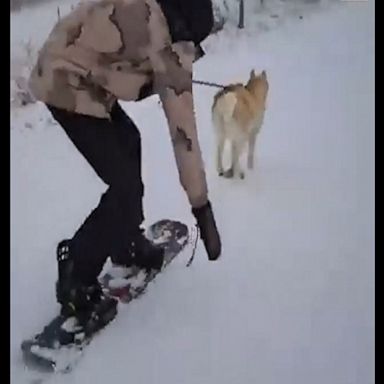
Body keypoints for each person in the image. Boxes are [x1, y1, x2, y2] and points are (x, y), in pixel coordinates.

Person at [28, 0, 222, 328]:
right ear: (185, 31)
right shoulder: (168, 45)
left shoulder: (154, 11)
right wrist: (201, 207)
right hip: (64, 83)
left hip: (80, 78)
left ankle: (124, 241)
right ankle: (76, 274)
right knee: (123, 185)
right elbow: (183, 135)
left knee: (130, 142)